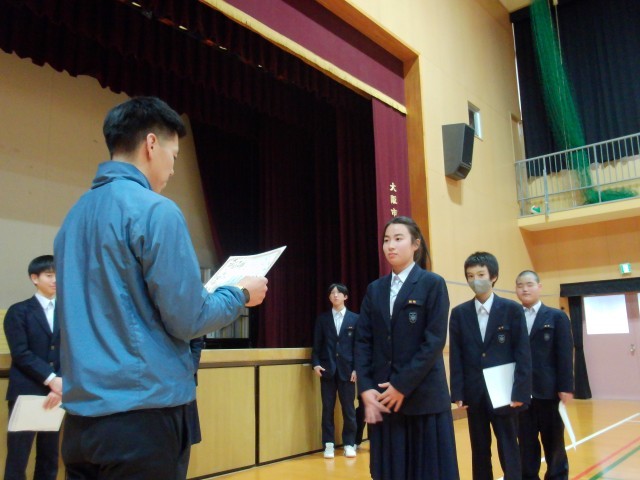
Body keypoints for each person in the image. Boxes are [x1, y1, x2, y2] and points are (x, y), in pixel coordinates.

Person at [53, 96, 268, 479]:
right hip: (141, 419)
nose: (172, 167)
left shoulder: (73, 217)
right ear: (152, 144)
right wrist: (241, 295)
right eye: (174, 154)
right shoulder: (155, 210)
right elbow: (189, 318)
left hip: (79, 424)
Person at [355, 216, 459, 479]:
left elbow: (434, 342)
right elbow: (363, 341)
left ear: (416, 244)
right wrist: (365, 387)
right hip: (384, 399)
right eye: (386, 240)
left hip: (423, 398)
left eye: (398, 239)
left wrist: (401, 385)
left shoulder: (432, 284)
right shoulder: (375, 289)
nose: (390, 245)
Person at [449, 251, 532, 480]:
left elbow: (523, 354)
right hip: (474, 394)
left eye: (481, 274)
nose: (475, 280)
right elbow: (456, 356)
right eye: (470, 276)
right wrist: (458, 392)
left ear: (493, 276)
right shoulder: (459, 314)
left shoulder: (512, 310)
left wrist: (520, 392)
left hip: (505, 393)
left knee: (509, 447)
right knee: (479, 449)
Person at [3, 255, 62, 480]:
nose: (55, 280)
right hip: (26, 391)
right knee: (18, 457)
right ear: (34, 278)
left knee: (50, 456)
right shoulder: (19, 311)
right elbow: (21, 353)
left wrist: (61, 383)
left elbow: (72, 351)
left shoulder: (67, 311)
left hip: (57, 393)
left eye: (58, 275)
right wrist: (52, 379)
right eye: (49, 275)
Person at [515, 271, 574, 480]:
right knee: (526, 444)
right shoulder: (512, 318)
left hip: (549, 393)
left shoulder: (556, 317)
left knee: (554, 443)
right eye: (520, 285)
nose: (525, 289)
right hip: (521, 395)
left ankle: (557, 476)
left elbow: (565, 354)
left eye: (529, 284)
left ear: (539, 287)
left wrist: (566, 386)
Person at [311, 283, 359, 459]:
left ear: (346, 296)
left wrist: (357, 369)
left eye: (339, 293)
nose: (335, 295)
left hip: (348, 371)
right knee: (327, 409)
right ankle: (328, 444)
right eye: (332, 293)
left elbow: (359, 347)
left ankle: (349, 443)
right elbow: (317, 345)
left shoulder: (355, 319)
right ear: (329, 297)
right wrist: (316, 364)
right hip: (327, 370)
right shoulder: (322, 319)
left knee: (349, 410)